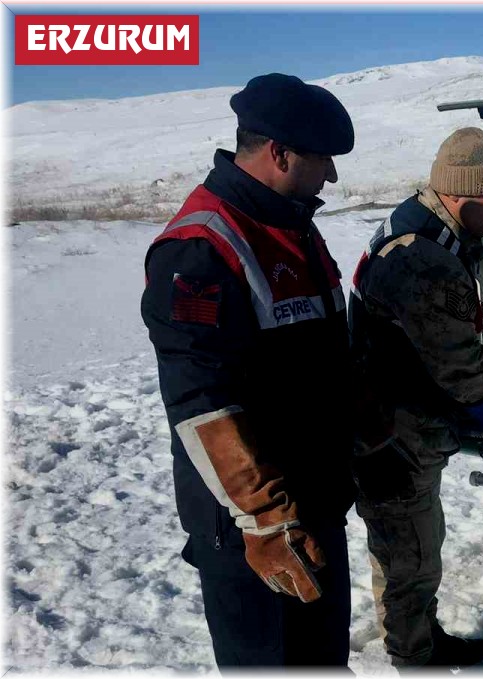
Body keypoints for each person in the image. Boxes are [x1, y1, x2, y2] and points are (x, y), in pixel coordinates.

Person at [141, 73, 357, 668]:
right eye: (323, 160)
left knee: (322, 661)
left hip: (312, 506)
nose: (331, 176)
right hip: (256, 529)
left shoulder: (291, 226)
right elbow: (202, 399)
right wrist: (265, 519)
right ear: (279, 153)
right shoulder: (201, 249)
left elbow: (320, 359)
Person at [348, 127, 483, 669]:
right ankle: (416, 657)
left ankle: (415, 638)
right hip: (393, 433)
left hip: (397, 417)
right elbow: (461, 369)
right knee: (411, 554)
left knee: (407, 546)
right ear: (464, 199)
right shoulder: (423, 260)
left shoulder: (424, 225)